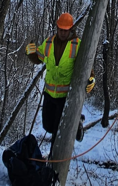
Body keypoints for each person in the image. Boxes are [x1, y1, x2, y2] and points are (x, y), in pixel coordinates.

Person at [25, 13, 95, 147]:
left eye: (65, 30)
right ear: (57, 28)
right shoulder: (49, 42)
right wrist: (30, 52)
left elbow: (87, 65)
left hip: (65, 96)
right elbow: (38, 57)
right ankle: (77, 120)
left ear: (71, 29)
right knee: (48, 126)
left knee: (58, 132)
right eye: (60, 29)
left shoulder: (78, 45)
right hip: (49, 93)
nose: (63, 33)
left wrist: (91, 78)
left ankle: (54, 159)